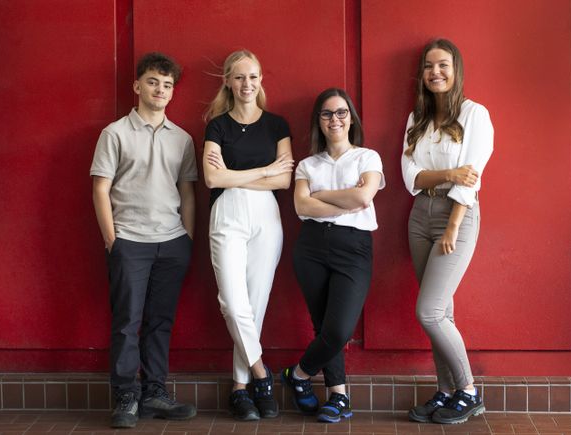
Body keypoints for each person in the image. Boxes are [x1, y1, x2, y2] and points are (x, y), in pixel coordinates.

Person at [90, 52, 198, 428]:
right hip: (129, 241)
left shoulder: (182, 139)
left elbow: (187, 192)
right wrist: (112, 240)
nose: (160, 90)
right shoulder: (115, 133)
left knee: (160, 322)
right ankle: (126, 396)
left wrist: (187, 238)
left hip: (172, 243)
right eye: (153, 82)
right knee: (127, 322)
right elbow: (100, 189)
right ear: (137, 86)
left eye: (167, 85)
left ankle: (154, 393)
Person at [401, 39, 494, 424]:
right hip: (419, 215)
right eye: (428, 66)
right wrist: (450, 173)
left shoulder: (475, 114)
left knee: (430, 311)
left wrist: (453, 225)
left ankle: (468, 391)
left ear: (456, 70)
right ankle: (445, 392)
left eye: (442, 65)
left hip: (456, 215)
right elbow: (410, 177)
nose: (434, 72)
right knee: (443, 313)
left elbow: (470, 178)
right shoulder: (417, 119)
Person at [281, 88, 385, 424]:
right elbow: (301, 206)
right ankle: (338, 396)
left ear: (351, 118)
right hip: (311, 247)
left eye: (341, 112)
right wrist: (344, 198)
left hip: (354, 247)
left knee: (338, 330)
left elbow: (364, 198)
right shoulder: (307, 165)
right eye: (327, 113)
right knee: (323, 326)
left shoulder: (368, 158)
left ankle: (298, 374)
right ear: (319, 121)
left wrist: (322, 195)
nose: (334, 119)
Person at [203, 49, 293, 421]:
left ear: (260, 80)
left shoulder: (276, 125)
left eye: (253, 76)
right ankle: (261, 374)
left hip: (266, 216)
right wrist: (265, 170)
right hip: (227, 213)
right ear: (228, 81)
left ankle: (240, 388)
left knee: (256, 304)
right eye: (239, 77)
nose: (247, 84)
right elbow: (213, 179)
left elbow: (284, 180)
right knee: (232, 302)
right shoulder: (217, 126)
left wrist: (237, 175)